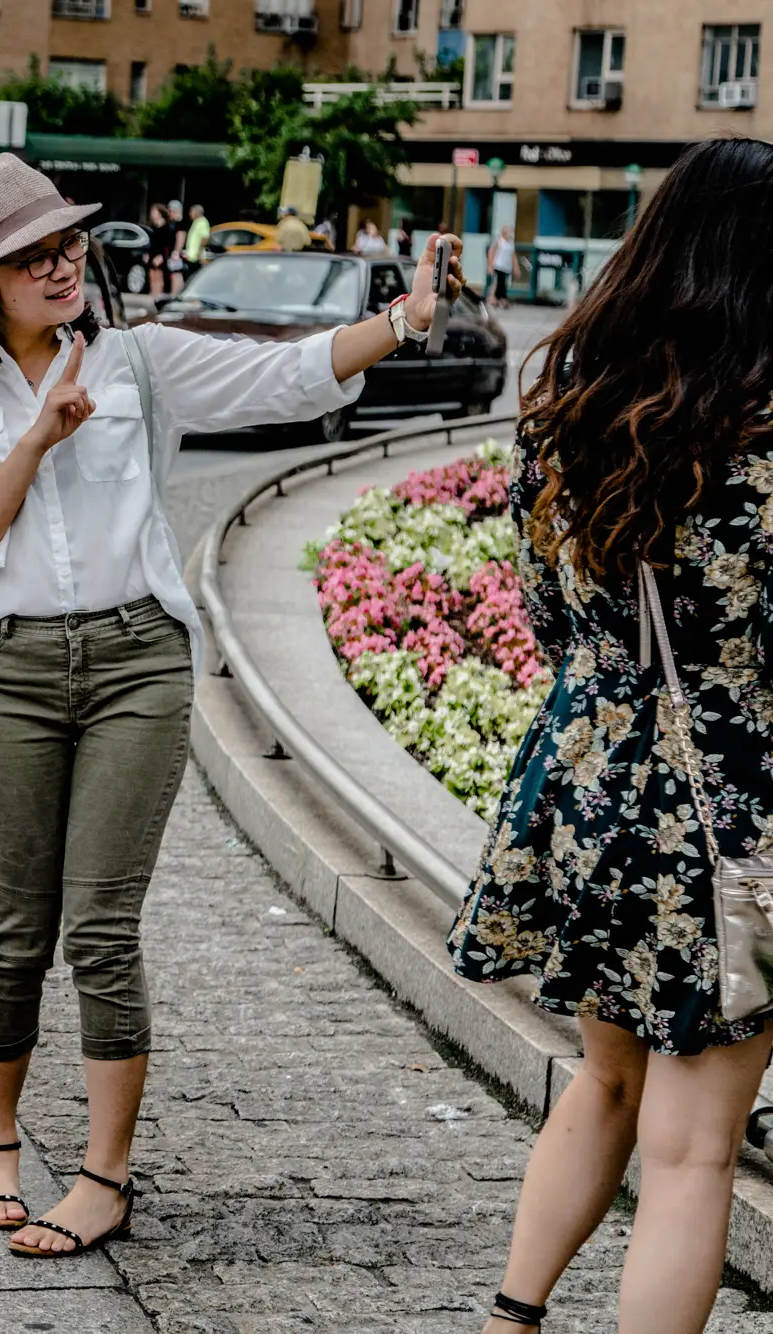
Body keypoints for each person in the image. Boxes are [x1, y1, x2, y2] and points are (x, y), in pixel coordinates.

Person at [0, 152, 460, 1261]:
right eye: (32, 255)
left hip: (132, 662)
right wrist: (35, 438)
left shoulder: (140, 363)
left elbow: (287, 376)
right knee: (16, 927)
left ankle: (104, 1176)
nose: (62, 265)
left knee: (100, 926)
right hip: (8, 667)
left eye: (68, 244)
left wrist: (400, 319)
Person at [448, 136, 773, 1334]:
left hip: (587, 790)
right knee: (693, 1153)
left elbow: (544, 616)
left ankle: (507, 1320)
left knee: (600, 1079)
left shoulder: (571, 413)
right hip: (733, 820)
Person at [144, 203, 174, 293]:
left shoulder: (166, 228)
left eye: (154, 212)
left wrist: (161, 257)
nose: (152, 214)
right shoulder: (154, 227)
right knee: (152, 277)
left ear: (160, 213)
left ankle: (157, 296)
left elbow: (168, 244)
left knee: (159, 277)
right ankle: (153, 296)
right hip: (153, 254)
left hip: (160, 256)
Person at [487, 223, 519, 307]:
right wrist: (490, 265)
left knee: (502, 283)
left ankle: (499, 298)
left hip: (506, 266)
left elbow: (513, 255)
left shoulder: (511, 242)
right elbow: (491, 252)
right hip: (498, 265)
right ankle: (494, 298)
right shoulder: (499, 241)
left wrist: (516, 267)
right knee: (497, 282)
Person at [180, 203, 209, 278]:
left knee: (194, 277)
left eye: (191, 211)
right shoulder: (196, 222)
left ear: (197, 212)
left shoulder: (203, 222)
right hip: (191, 257)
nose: (190, 214)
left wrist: (199, 253)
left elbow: (205, 239)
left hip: (196, 258)